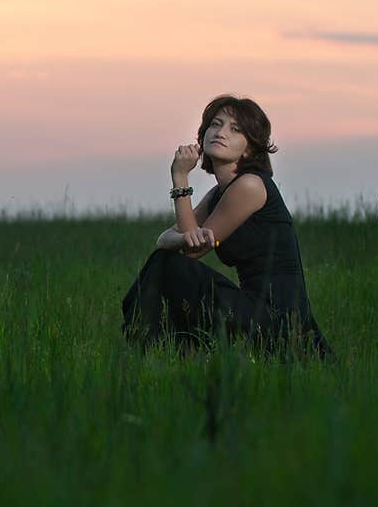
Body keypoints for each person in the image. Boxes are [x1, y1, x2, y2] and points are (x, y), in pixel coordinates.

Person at [121, 94, 334, 360]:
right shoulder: (217, 195)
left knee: (169, 267)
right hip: (250, 306)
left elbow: (192, 250)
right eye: (216, 124)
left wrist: (180, 176)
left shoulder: (250, 186)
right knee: (163, 262)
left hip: (278, 320)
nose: (221, 132)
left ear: (249, 149)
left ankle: (144, 348)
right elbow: (166, 240)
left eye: (235, 129)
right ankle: (157, 351)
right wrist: (181, 239)